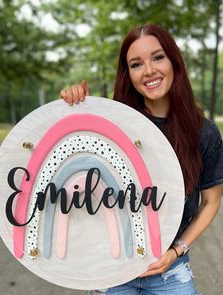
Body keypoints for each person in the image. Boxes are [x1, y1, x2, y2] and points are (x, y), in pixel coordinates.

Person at [60, 23, 223, 295]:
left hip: (170, 268)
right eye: (136, 64)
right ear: (128, 74)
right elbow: (73, 164)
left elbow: (211, 202)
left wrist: (177, 250)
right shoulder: (112, 125)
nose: (149, 71)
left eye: (158, 57)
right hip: (112, 268)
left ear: (174, 61)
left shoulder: (204, 133)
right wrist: (75, 106)